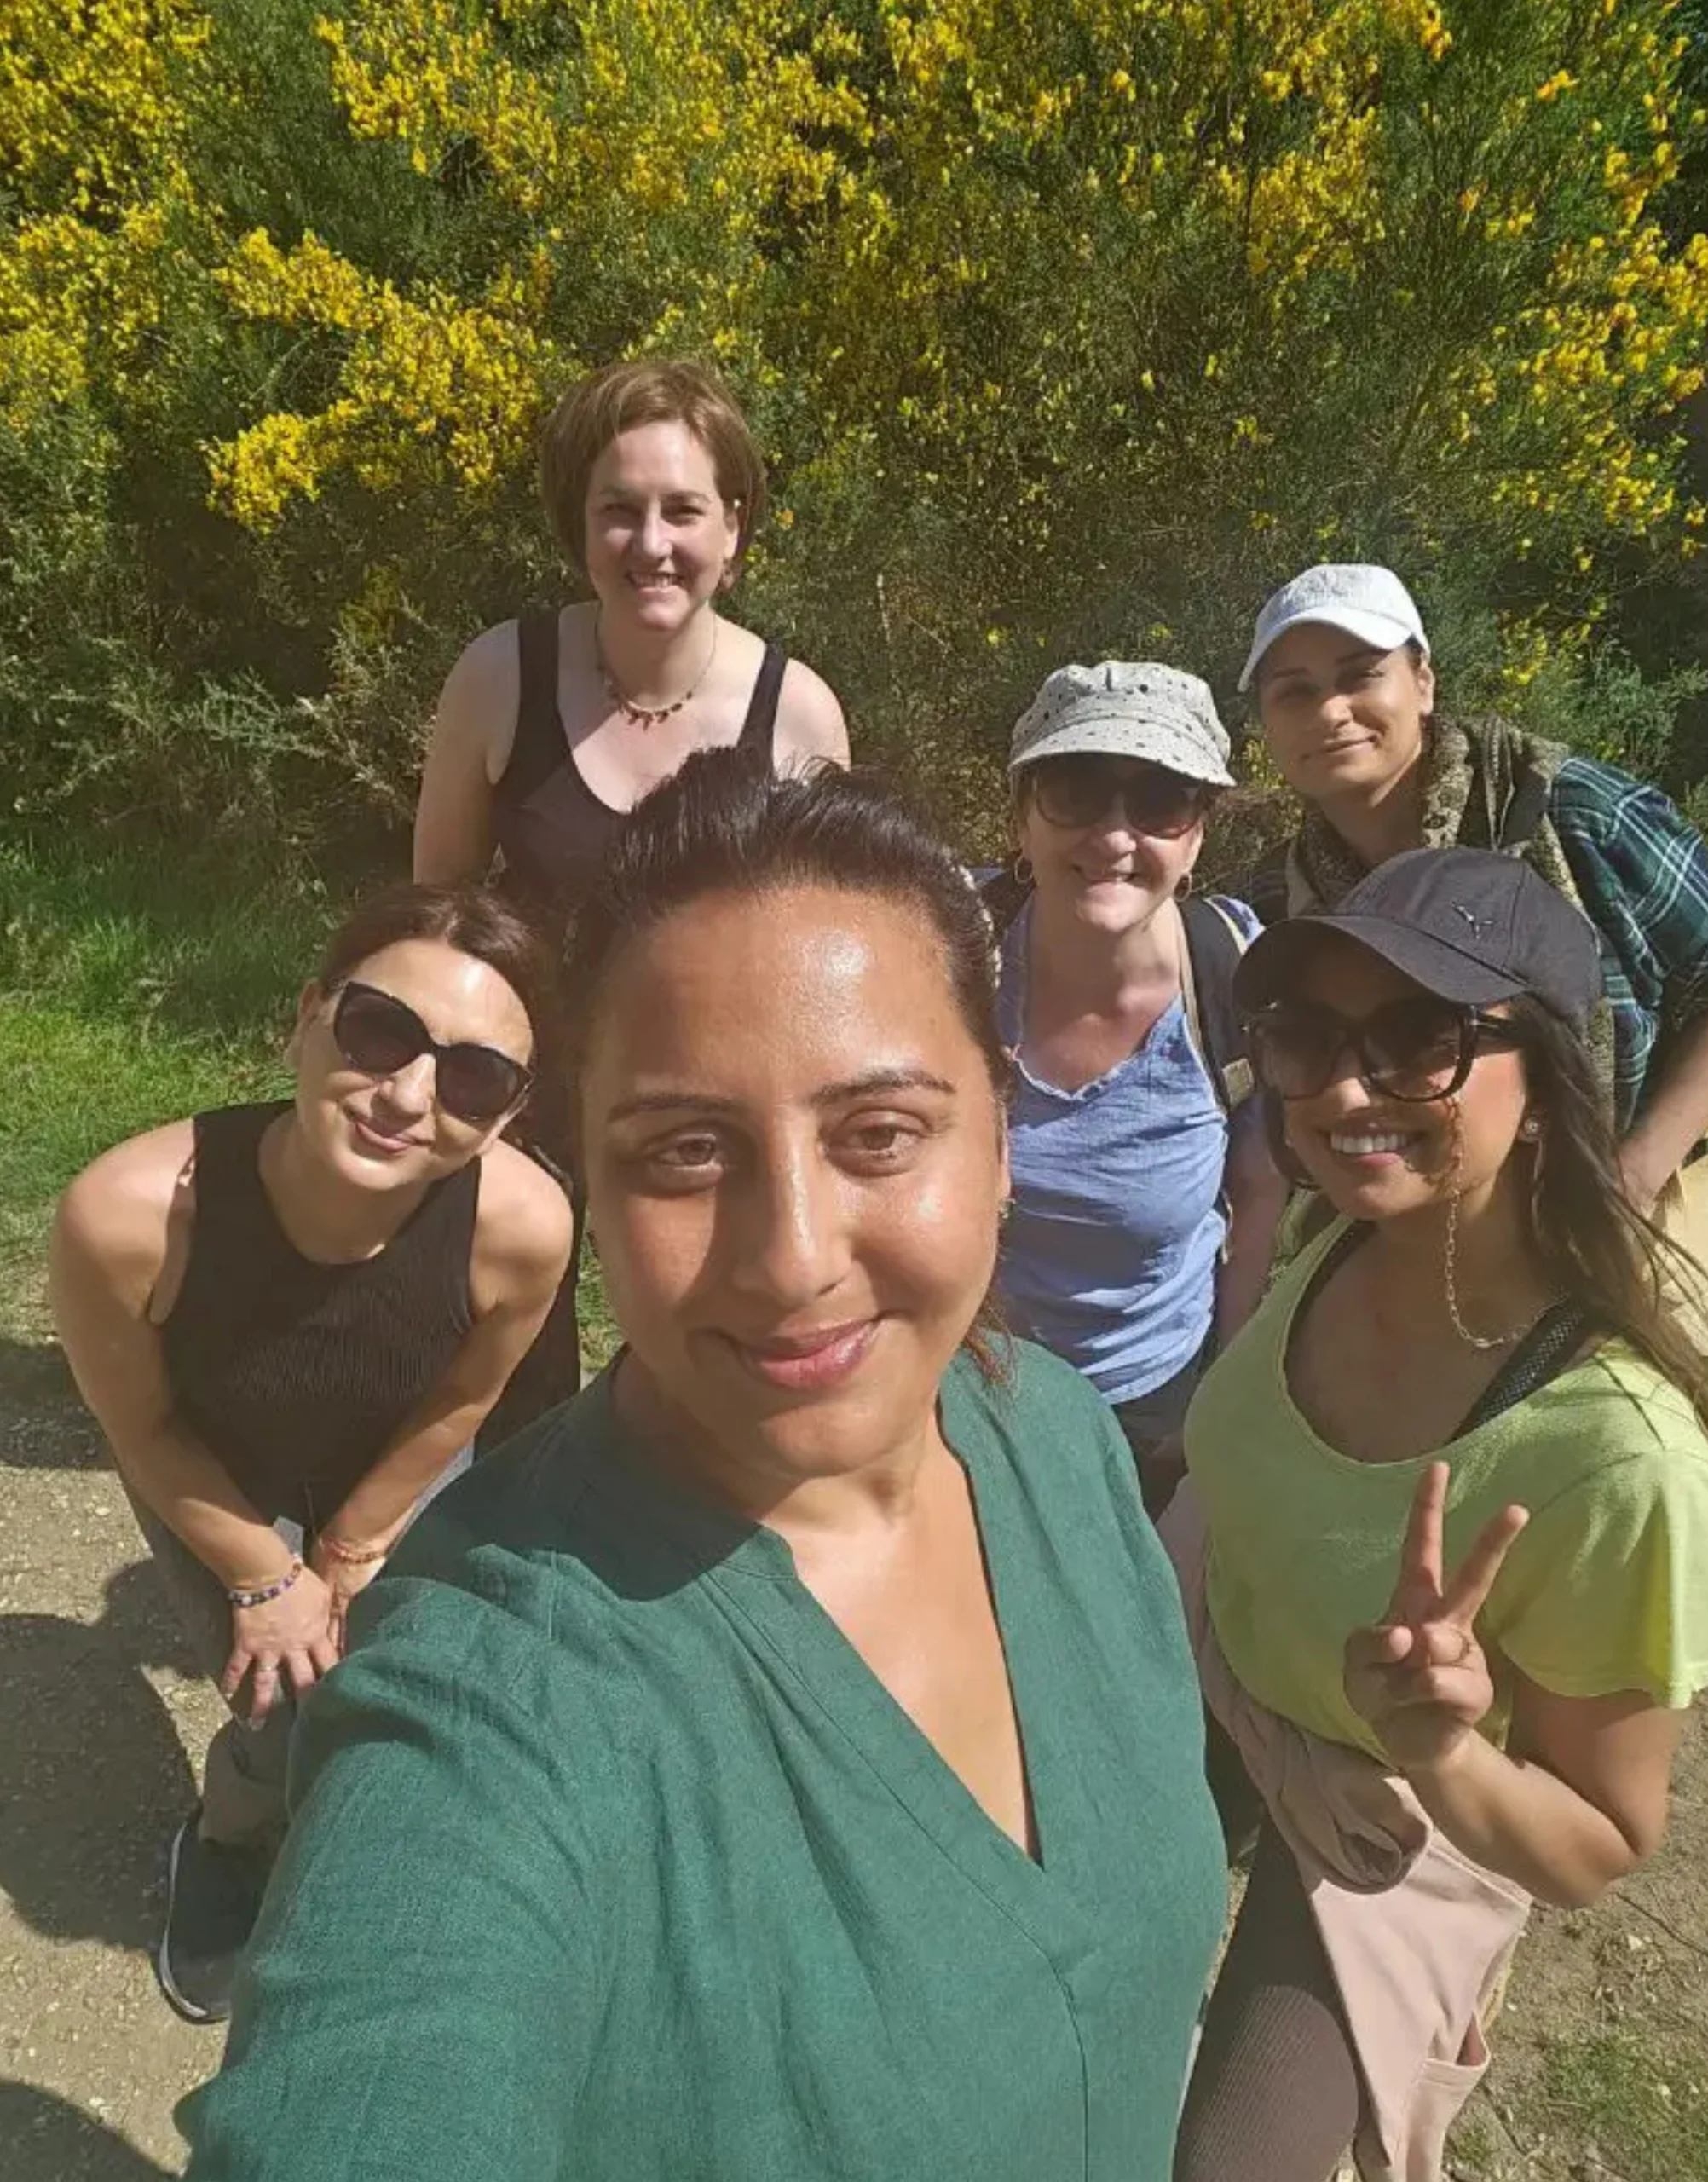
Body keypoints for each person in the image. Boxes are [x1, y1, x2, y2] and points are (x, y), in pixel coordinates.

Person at [179, 752, 1227, 2181]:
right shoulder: (494, 1687)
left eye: (879, 1134)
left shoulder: (1052, 1437)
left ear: (1000, 1139)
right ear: (587, 1188)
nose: (790, 1259)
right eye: (682, 1152)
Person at [1168, 846, 1708, 2182]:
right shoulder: (1345, 1234)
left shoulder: (1621, 1465)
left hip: (1385, 1813)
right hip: (1212, 1664)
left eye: (1422, 1041)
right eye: (1307, 1036)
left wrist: (1445, 1751)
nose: (1341, 1090)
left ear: (1545, 1086)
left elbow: (1597, 1846)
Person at [48, 884, 574, 2028]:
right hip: (214, 1471)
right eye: (380, 1030)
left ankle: (370, 1854)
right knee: (278, 1703)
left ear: (507, 1114)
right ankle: (230, 1845)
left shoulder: (523, 1226)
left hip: (394, 1461)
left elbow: (464, 1396)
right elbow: (143, 1428)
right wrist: (264, 1575)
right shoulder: (128, 1217)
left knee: (409, 1678)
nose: (409, 1094)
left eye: (473, 1078)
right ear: (307, 1016)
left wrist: (349, 1546)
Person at [413, 355, 851, 1435]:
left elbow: (823, 946)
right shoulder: (498, 677)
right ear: (579, 526)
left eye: (682, 510)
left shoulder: (795, 712)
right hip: (526, 1092)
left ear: (733, 528)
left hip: (714, 1094)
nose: (650, 543)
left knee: (714, 1359)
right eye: (618, 510)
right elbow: (436, 913)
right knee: (509, 1376)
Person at [1238, 562, 1708, 1207]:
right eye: (1295, 692)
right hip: (1423, 1232)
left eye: (1360, 676)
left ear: (1423, 684)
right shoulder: (1280, 896)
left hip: (1621, 1214)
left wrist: (1634, 1177)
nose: (1331, 712)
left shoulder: (1573, 812)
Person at [987, 661, 1288, 1509]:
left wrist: (1221, 1406)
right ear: (1021, 816)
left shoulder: (1233, 975)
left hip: (1153, 1405)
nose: (1115, 836)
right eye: (1075, 792)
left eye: (1159, 801)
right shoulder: (948, 948)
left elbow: (1259, 1200)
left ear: (1196, 837)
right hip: (966, 1385)